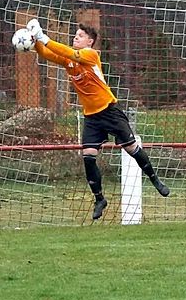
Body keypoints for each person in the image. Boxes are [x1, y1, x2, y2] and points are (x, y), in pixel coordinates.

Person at [23, 19, 169, 220]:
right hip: (91, 116)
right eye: (76, 34)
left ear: (90, 42)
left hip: (109, 110)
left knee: (131, 148)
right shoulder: (70, 61)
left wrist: (43, 37)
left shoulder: (90, 55)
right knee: (88, 156)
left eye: (81, 35)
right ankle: (99, 199)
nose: (76, 37)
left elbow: (69, 52)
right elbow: (48, 53)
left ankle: (155, 180)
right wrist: (34, 41)